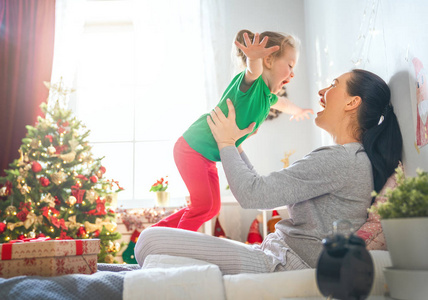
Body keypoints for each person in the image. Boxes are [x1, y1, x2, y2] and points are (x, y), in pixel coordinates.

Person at [135, 69, 403, 275]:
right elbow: (260, 189)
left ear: (352, 102)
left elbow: (252, 196)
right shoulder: (349, 158)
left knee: (148, 241)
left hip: (284, 263)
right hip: (276, 253)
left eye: (333, 85)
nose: (322, 91)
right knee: (153, 246)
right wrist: (235, 145)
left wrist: (226, 143)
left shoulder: (342, 160)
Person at [151, 30, 313, 232]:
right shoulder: (252, 84)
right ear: (269, 61)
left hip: (207, 156)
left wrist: (298, 110)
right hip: (192, 148)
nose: (292, 73)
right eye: (290, 66)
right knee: (202, 206)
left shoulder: (267, 97)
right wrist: (254, 59)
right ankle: (172, 245)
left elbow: (283, 103)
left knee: (211, 208)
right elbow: (252, 72)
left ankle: (156, 232)